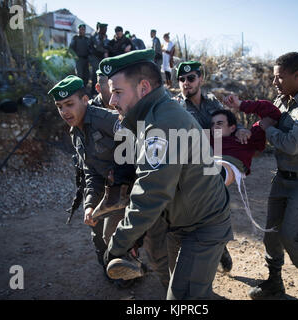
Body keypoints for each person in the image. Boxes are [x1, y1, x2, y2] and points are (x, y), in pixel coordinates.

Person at [98, 49, 233, 300]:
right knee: (181, 288)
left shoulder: (161, 123)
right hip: (181, 222)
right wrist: (135, 236)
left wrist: (118, 245)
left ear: (143, 88)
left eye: (117, 92)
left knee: (182, 298)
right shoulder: (152, 114)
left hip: (203, 224)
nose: (111, 101)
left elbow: (152, 191)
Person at [227, 52, 298, 300]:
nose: (274, 83)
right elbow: (261, 130)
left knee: (293, 238)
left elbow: (293, 144)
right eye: (274, 78)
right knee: (271, 235)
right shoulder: (283, 101)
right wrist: (244, 132)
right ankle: (274, 283)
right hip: (282, 178)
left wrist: (268, 127)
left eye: (279, 78)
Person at [48, 75, 142, 289]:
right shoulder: (76, 133)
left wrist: (120, 177)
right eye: (59, 106)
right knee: (97, 232)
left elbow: (138, 147)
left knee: (113, 233)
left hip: (131, 187)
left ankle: (135, 268)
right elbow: (90, 171)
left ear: (85, 99)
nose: (64, 112)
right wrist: (90, 204)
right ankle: (116, 268)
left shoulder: (107, 120)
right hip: (109, 191)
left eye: (69, 104)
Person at [175, 60, 252, 273]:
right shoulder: (175, 106)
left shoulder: (212, 103)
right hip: (189, 170)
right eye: (181, 79)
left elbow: (230, 121)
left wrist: (240, 130)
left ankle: (220, 248)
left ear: (201, 79)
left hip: (215, 164)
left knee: (216, 211)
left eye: (190, 78)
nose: (185, 83)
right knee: (192, 218)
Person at [90, 22, 109, 94]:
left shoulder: (104, 36)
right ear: (100, 29)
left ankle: (99, 89)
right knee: (96, 73)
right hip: (94, 56)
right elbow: (97, 47)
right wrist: (105, 51)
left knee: (101, 73)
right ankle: (93, 90)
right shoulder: (95, 35)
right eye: (105, 29)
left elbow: (106, 44)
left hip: (101, 57)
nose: (106, 30)